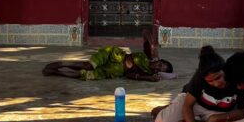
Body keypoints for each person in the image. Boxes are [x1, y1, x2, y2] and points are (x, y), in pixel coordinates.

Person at [153, 45, 244, 122]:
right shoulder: (199, 76)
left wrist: (216, 118)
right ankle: (167, 109)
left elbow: (243, 112)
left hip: (219, 111)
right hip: (195, 105)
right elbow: (188, 105)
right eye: (210, 81)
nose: (216, 84)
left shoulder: (237, 77)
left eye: (218, 77)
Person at [43, 36, 174, 82]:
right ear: (159, 60)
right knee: (88, 66)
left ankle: (57, 72)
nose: (158, 66)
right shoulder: (147, 55)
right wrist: (152, 45)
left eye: (160, 69)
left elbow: (129, 75)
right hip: (113, 55)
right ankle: (62, 63)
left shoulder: (147, 74)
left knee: (84, 75)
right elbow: (146, 33)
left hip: (114, 71)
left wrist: (149, 78)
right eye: (161, 64)